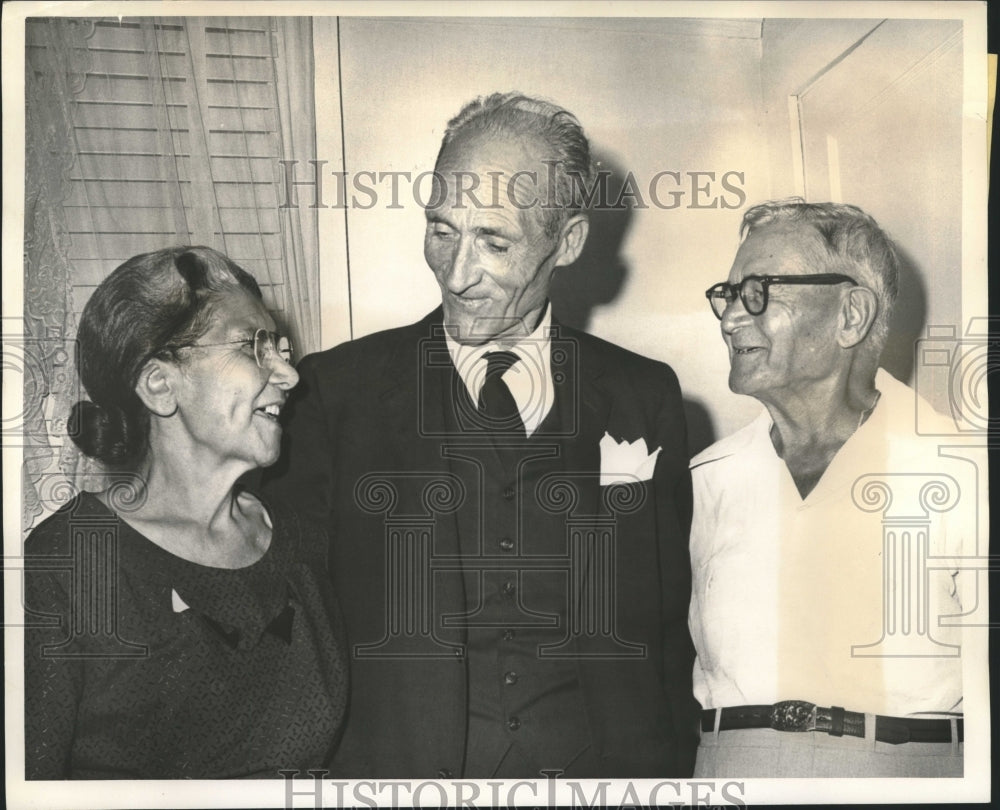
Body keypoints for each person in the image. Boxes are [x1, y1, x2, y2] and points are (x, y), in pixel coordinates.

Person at [264, 92, 697, 778]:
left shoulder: (644, 397)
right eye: (442, 231)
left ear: (570, 241)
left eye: (494, 242)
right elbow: (285, 633)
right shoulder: (331, 395)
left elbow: (667, 624)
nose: (457, 273)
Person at [24, 247, 348, 779]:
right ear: (159, 384)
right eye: (255, 347)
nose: (289, 375)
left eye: (281, 348)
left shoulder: (300, 537)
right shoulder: (68, 566)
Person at [689, 200, 968, 777]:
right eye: (730, 293)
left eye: (760, 291)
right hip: (730, 772)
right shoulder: (705, 479)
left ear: (851, 315)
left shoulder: (960, 469)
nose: (731, 318)